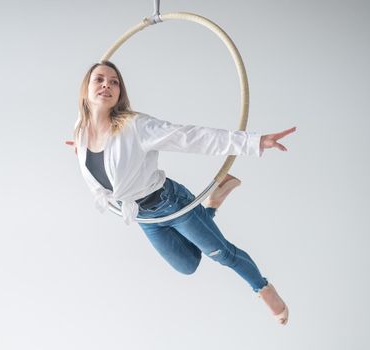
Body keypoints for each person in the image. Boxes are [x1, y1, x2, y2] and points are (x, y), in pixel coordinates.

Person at [65, 61, 295, 325]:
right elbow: (104, 162)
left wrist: (253, 142)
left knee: (223, 255)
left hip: (171, 203)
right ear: (86, 89)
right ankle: (212, 203)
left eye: (114, 81)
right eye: (99, 79)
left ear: (120, 92)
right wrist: (86, 149)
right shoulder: (81, 131)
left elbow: (191, 137)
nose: (107, 84)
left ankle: (263, 289)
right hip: (144, 217)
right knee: (188, 265)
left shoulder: (136, 126)